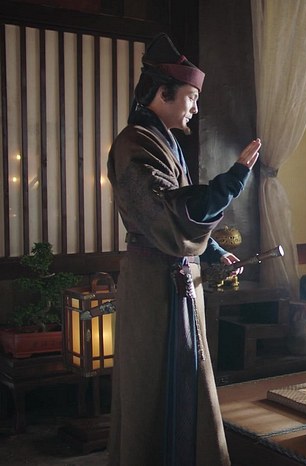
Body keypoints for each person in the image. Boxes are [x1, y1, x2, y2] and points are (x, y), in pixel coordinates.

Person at [106, 33, 261, 466]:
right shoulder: (135, 143)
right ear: (163, 93)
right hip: (153, 285)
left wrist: (212, 253)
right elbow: (169, 214)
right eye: (191, 97)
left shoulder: (164, 141)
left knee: (187, 373)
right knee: (152, 382)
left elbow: (179, 213)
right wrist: (234, 179)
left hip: (176, 276)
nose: (194, 107)